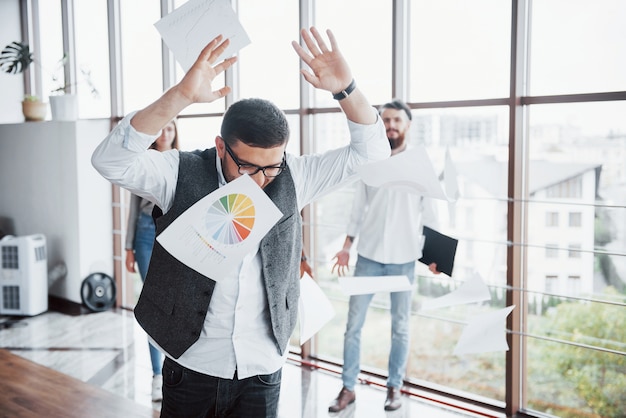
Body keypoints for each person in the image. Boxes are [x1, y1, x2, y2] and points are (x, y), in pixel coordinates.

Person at [91, 27, 390, 418]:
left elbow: (373, 153)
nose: (261, 179)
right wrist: (180, 95)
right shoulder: (178, 173)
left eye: (271, 166)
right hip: (191, 361)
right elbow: (109, 160)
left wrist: (346, 89)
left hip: (261, 364)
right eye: (247, 166)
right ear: (220, 146)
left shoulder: (294, 176)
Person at [329, 99, 441, 413]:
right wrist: (347, 245)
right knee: (353, 326)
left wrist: (435, 257)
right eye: (386, 120)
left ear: (407, 126)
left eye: (396, 121)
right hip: (368, 256)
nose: (391, 125)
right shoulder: (372, 161)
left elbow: (430, 215)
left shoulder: (421, 165)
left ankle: (394, 388)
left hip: (404, 259)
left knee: (401, 327)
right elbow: (358, 207)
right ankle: (348, 389)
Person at [124, 119, 179, 402]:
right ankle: (157, 375)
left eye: (170, 129)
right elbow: (133, 208)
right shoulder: (143, 161)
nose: (165, 133)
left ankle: (174, 371)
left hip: (171, 231)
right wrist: (128, 248)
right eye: (162, 128)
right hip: (145, 233)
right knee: (153, 304)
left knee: (173, 304)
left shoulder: (182, 162)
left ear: (175, 133)